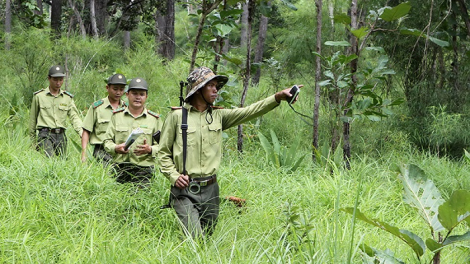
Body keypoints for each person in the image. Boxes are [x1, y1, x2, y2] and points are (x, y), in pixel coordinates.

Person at [157, 66, 301, 238]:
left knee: (206, 238)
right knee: (195, 237)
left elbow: (249, 112)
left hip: (211, 190)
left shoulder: (219, 116)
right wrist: (174, 176)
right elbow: (163, 152)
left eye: (216, 85)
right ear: (198, 90)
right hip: (185, 191)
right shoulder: (177, 117)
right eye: (210, 85)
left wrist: (277, 97)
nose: (215, 89)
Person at [103, 77, 162, 187]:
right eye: (134, 93)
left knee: (141, 201)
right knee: (117, 201)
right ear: (127, 95)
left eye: (141, 94)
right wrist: (115, 148)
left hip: (144, 171)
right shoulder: (116, 116)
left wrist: (150, 149)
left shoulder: (154, 119)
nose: (138, 97)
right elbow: (107, 141)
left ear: (146, 96)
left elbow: (163, 146)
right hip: (119, 168)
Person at [29, 65, 83, 157]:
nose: (58, 83)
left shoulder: (67, 98)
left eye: (61, 79)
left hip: (61, 136)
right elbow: (32, 120)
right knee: (49, 159)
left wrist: (82, 133)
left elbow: (74, 117)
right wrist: (32, 142)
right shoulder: (39, 96)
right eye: (55, 79)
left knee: (61, 164)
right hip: (45, 135)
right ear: (49, 79)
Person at [81, 74, 128, 163]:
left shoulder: (127, 109)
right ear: (107, 88)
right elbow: (86, 130)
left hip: (121, 151)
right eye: (115, 89)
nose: (118, 92)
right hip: (102, 151)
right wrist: (84, 154)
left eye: (121, 89)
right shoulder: (97, 107)